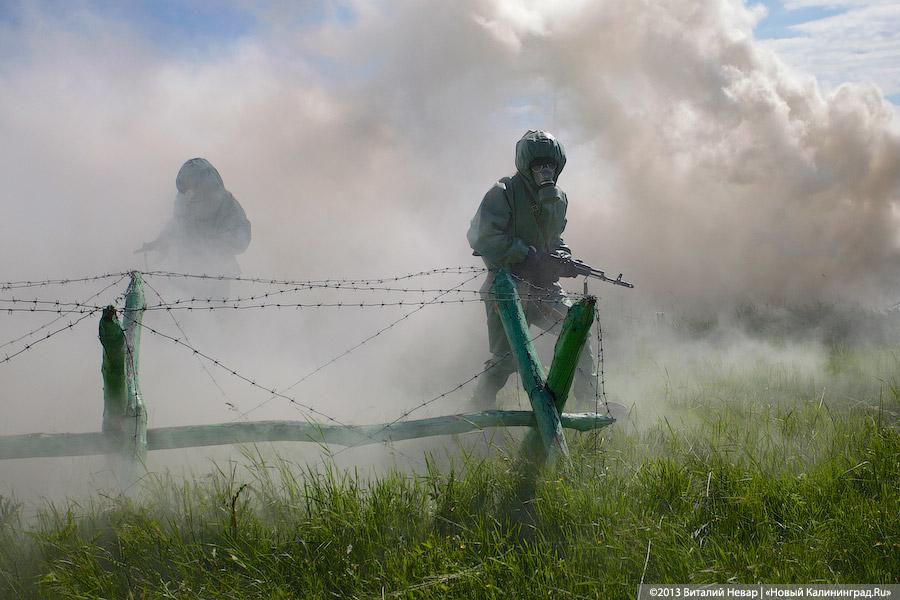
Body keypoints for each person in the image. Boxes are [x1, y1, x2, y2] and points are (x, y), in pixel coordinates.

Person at [467, 130, 597, 409]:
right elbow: (481, 237)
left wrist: (561, 257)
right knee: (507, 358)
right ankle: (477, 408)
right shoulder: (502, 192)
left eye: (550, 165)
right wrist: (525, 255)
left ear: (558, 165)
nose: (545, 171)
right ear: (526, 165)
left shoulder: (558, 198)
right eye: (538, 166)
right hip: (507, 286)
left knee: (577, 334)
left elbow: (554, 237)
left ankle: (590, 402)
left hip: (544, 289)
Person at [137, 158, 251, 281]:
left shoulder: (226, 203)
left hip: (217, 276)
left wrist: (205, 245)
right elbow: (176, 225)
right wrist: (160, 242)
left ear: (202, 184)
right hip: (184, 273)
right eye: (185, 189)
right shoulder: (183, 199)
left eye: (190, 187)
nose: (187, 195)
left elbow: (241, 239)